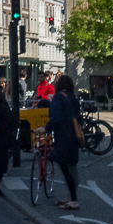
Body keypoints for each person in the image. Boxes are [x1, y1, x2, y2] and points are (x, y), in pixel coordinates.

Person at [44, 74, 81, 210]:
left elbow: (56, 118)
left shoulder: (58, 98)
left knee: (65, 167)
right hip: (73, 137)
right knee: (72, 167)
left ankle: (73, 199)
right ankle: (69, 196)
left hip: (63, 137)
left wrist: (46, 128)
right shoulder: (73, 98)